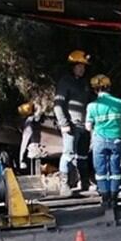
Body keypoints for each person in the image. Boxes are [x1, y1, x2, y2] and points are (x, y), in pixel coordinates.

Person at [85, 75, 121, 210]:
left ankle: (105, 199)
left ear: (94, 90)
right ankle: (114, 198)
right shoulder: (119, 103)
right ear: (109, 87)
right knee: (115, 170)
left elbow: (88, 126)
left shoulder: (92, 106)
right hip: (115, 140)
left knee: (100, 171)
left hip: (99, 141)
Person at [53, 50, 93, 196]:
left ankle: (84, 182)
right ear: (72, 66)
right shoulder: (65, 82)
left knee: (82, 155)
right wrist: (64, 123)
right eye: (79, 66)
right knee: (68, 154)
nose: (82, 69)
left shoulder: (84, 83)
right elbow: (58, 104)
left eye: (84, 66)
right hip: (71, 125)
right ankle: (64, 184)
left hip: (84, 125)